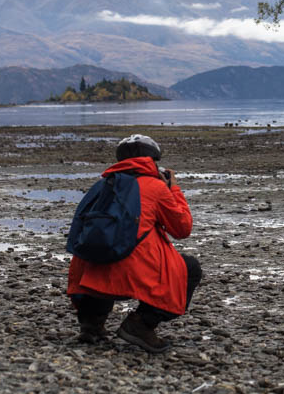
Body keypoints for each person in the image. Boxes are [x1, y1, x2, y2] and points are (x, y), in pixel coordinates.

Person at [67, 134, 201, 353]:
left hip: (88, 275)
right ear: (152, 162)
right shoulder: (156, 188)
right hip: (134, 273)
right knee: (190, 269)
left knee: (102, 261)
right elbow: (182, 228)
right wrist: (173, 189)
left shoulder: (102, 185)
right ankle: (141, 324)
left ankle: (91, 323)